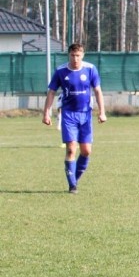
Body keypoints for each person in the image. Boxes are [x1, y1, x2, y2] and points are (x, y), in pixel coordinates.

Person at [42, 43, 107, 194]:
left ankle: (74, 179)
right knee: (71, 149)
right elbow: (51, 92)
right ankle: (72, 186)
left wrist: (102, 112)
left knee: (86, 151)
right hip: (68, 114)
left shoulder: (90, 69)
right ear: (69, 55)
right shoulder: (60, 71)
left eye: (78, 55)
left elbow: (97, 91)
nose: (75, 58)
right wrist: (46, 113)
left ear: (82, 55)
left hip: (86, 114)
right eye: (72, 55)